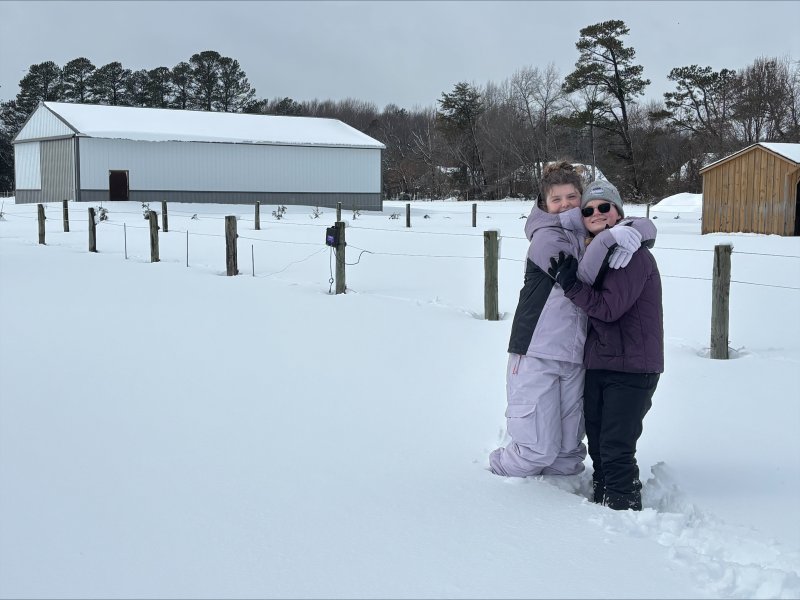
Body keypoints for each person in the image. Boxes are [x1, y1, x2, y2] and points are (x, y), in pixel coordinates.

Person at [489, 164, 656, 478]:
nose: (565, 204)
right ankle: (498, 484)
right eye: (556, 199)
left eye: (572, 197)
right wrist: (612, 238)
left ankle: (564, 513)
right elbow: (580, 279)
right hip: (538, 350)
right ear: (544, 204)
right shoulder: (545, 238)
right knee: (534, 450)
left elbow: (632, 222)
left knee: (566, 454)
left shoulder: (589, 232)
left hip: (577, 356)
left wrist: (638, 230)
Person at [548, 179, 664, 510]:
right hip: (601, 362)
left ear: (618, 212)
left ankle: (622, 506)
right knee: (598, 442)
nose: (596, 213)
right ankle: (604, 497)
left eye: (604, 207)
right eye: (588, 209)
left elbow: (609, 309)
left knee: (616, 443)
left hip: (632, 366)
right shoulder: (598, 252)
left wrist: (570, 286)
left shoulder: (631, 254)